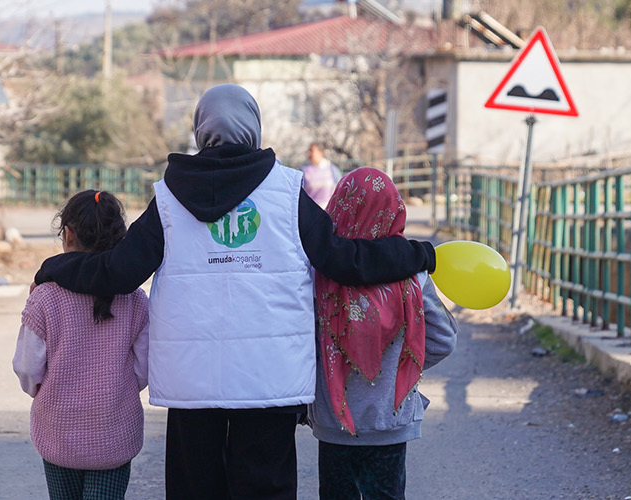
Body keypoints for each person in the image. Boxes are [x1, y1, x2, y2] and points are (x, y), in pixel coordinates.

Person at [33, 84, 438, 500]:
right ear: (253, 127)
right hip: (269, 375)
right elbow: (345, 260)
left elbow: (118, 272)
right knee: (265, 487)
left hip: (192, 377)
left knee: (195, 488)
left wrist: (56, 267)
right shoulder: (286, 191)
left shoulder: (169, 197)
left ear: (200, 129)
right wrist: (419, 254)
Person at [309, 169, 459, 500]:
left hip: (334, 421)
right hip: (389, 418)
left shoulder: (318, 275)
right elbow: (443, 339)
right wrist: (400, 365)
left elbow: (305, 342)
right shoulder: (413, 275)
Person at [13, 190, 150, 500]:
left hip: (58, 432)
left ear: (68, 234)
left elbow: (28, 367)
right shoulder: (134, 299)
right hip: (114, 433)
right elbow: (144, 367)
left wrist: (46, 392)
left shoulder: (45, 296)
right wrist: (119, 391)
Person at [301, 143, 345, 209]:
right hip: (310, 209)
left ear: (321, 153)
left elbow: (340, 189)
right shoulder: (304, 170)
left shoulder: (332, 169)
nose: (309, 154)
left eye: (312, 151)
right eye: (309, 151)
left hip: (328, 209)